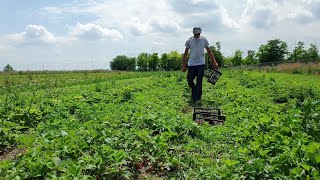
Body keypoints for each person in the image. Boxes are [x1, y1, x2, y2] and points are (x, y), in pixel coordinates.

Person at [182, 27, 219, 102]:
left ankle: (196, 98)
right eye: (196, 34)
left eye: (198, 33)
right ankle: (194, 90)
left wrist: (214, 62)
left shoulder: (204, 40)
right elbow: (185, 54)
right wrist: (183, 65)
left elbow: (209, 51)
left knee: (199, 81)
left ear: (200, 33)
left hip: (201, 63)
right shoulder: (189, 41)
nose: (197, 35)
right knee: (189, 79)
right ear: (193, 33)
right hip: (191, 64)